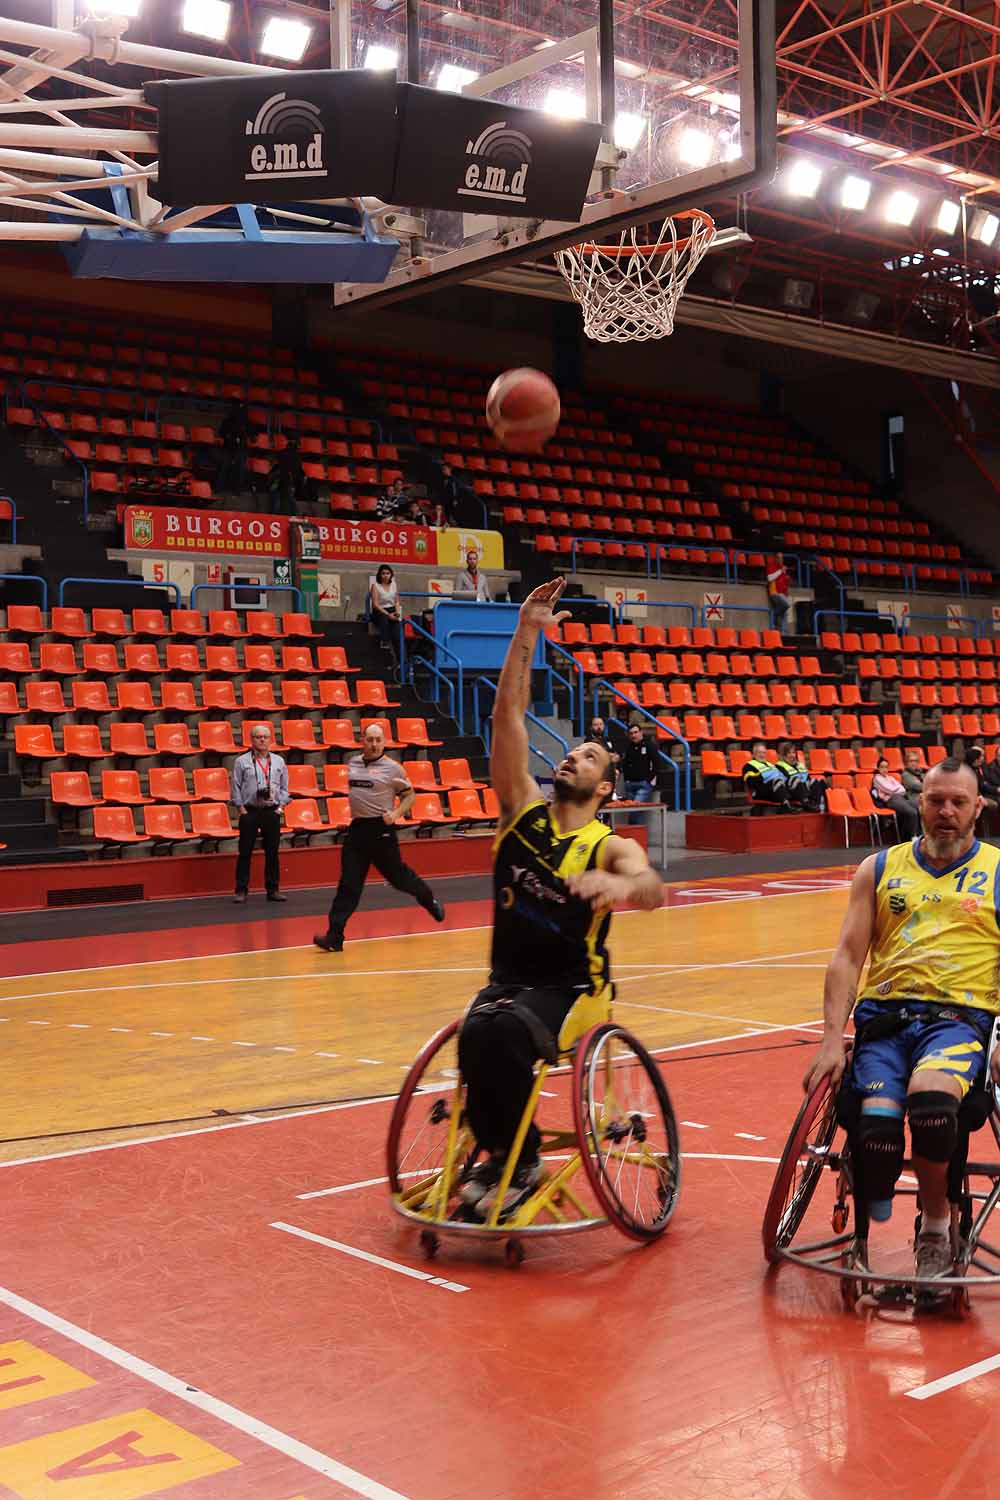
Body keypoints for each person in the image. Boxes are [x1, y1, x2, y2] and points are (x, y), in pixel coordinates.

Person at [456, 578, 663, 1218]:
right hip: (508, 980)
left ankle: (514, 1166)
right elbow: (507, 717)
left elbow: (653, 887)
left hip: (574, 990)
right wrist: (526, 631)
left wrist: (621, 885)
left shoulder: (606, 842)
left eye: (591, 755)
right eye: (573, 750)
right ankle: (505, 1157)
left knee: (502, 1032)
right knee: (476, 1033)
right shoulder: (519, 813)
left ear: (606, 788)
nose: (574, 755)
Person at [803, 757, 1000, 1282]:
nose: (946, 812)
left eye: (959, 802)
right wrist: (829, 1040)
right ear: (920, 802)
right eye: (936, 800)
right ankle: (876, 1200)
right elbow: (847, 957)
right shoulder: (880, 868)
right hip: (886, 1020)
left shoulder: (998, 871)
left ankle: (935, 1226)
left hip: (960, 1021)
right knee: (876, 1132)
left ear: (978, 807)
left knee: (933, 1106)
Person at [313, 722, 445, 953]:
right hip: (357, 831)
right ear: (362, 741)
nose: (374, 744)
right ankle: (335, 936)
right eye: (369, 739)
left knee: (399, 879)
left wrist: (395, 814)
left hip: (381, 831)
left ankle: (428, 899)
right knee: (349, 885)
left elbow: (410, 796)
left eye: (378, 740)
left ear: (384, 742)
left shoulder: (393, 768)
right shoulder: (353, 763)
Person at [230, 723, 289, 903]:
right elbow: (235, 787)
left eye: (265, 736)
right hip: (250, 811)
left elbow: (285, 788)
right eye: (258, 736)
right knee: (245, 852)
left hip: (271, 812)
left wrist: (280, 808)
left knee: (272, 852)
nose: (262, 739)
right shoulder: (242, 761)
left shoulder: (279, 761)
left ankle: (273, 889)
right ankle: (241, 890)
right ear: (251, 740)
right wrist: (241, 809)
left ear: (270, 739)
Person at [871, 755, 920, 837]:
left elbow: (903, 789)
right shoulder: (877, 778)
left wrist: (895, 790)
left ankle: (919, 834)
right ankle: (912, 837)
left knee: (918, 807)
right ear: (878, 768)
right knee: (912, 812)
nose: (884, 769)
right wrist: (896, 790)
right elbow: (889, 789)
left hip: (900, 798)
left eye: (886, 767)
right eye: (882, 767)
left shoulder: (890, 778)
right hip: (890, 800)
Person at [775, 741, 826, 811]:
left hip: (804, 789)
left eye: (793, 753)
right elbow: (782, 783)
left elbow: (808, 778)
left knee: (817, 781)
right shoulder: (779, 766)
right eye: (789, 753)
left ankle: (817, 804)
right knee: (796, 780)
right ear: (784, 755)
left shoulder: (800, 765)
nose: (792, 755)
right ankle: (806, 803)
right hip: (791, 792)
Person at [741, 742, 791, 808]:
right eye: (759, 752)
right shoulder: (748, 766)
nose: (762, 755)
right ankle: (786, 805)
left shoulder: (770, 765)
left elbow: (781, 776)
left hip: (775, 790)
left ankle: (804, 802)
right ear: (753, 754)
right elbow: (750, 781)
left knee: (794, 780)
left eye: (764, 753)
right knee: (777, 782)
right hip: (760, 792)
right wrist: (766, 775)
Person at [620, 722, 658, 804]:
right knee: (631, 809)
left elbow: (657, 762)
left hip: (643, 783)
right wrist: (626, 780)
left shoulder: (649, 745)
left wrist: (650, 779)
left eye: (635, 732)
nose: (633, 735)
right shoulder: (628, 747)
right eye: (631, 733)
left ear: (641, 732)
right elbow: (625, 763)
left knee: (635, 808)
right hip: (630, 784)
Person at [368, 564, 399, 654]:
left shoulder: (394, 584)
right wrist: (388, 615)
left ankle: (401, 661)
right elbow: (375, 604)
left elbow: (397, 601)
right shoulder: (375, 586)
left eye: (388, 573)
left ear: (391, 575)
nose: (386, 575)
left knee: (397, 631)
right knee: (384, 618)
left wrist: (397, 613)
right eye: (383, 573)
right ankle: (384, 641)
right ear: (379, 575)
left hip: (392, 609)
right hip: (379, 610)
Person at [966, 746, 999, 813]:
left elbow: (984, 784)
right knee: (993, 803)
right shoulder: (966, 771)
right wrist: (979, 796)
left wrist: (996, 789)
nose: (983, 758)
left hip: (985, 793)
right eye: (982, 756)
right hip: (974, 796)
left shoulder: (981, 767)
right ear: (975, 759)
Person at [766, 553, 792, 636]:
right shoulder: (771, 566)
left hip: (784, 593)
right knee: (786, 605)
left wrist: (787, 578)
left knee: (783, 615)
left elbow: (785, 582)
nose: (780, 560)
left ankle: (780, 634)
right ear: (775, 558)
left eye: (782, 558)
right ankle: (773, 614)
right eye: (778, 558)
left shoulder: (782, 568)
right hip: (775, 592)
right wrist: (780, 571)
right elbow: (770, 578)